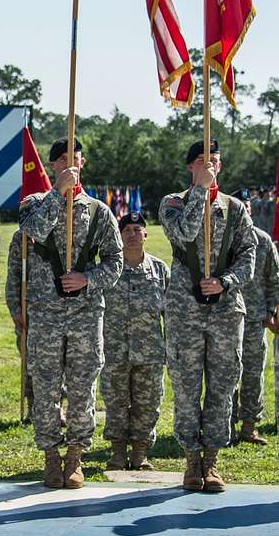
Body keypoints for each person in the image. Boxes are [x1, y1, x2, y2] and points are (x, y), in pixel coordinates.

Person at [20, 137, 123, 489]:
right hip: (46, 312)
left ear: (84, 162)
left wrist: (87, 278)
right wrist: (57, 194)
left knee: (82, 388)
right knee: (46, 386)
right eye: (62, 160)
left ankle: (76, 455)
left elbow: (116, 262)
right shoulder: (34, 203)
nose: (69, 165)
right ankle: (51, 456)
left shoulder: (98, 211)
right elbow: (31, 232)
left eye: (74, 159)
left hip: (85, 313)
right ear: (52, 166)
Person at [159, 140, 255, 492]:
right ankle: (190, 459)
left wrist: (226, 281)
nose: (210, 166)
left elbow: (248, 255)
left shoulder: (235, 209)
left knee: (222, 385)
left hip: (226, 309)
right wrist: (200, 190)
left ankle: (212, 459)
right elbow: (183, 231)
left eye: (214, 161)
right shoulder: (173, 202)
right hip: (185, 309)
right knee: (186, 385)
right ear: (190, 167)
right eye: (203, 161)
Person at [101, 212, 169, 471]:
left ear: (145, 234)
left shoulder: (160, 270)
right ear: (120, 235)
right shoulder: (108, 270)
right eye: (126, 229)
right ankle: (117, 453)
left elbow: (170, 313)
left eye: (137, 229)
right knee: (115, 402)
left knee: (148, 403)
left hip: (149, 351)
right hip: (114, 350)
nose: (131, 234)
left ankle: (140, 453)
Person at [231, 188, 279, 445]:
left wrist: (271, 312)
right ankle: (226, 425)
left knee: (253, 374)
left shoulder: (263, 240)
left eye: (248, 208)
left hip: (254, 319)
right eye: (241, 208)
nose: (246, 213)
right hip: (226, 319)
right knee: (227, 374)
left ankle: (249, 426)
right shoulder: (223, 240)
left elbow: (274, 280)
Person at [5, 227, 34, 423]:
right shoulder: (21, 237)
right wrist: (15, 308)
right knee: (30, 360)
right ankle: (33, 408)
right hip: (28, 309)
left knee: (62, 362)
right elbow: (14, 274)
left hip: (59, 309)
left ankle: (58, 409)